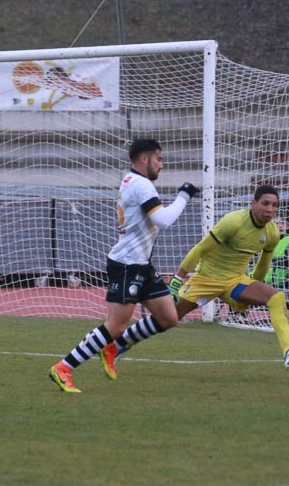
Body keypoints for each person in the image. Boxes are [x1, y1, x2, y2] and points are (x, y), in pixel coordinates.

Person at [103, 185, 289, 374]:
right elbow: (200, 249)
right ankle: (119, 344)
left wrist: (253, 293)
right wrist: (177, 279)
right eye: (265, 204)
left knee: (276, 297)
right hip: (205, 279)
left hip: (235, 282)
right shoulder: (233, 222)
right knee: (167, 318)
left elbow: (262, 264)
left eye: (274, 205)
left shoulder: (272, 233)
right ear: (253, 203)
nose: (270, 210)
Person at [48, 139, 200, 393]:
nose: (161, 165)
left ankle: (115, 347)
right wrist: (184, 195)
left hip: (141, 264)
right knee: (116, 325)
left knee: (168, 317)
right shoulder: (141, 185)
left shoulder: (136, 182)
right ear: (144, 159)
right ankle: (64, 367)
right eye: (158, 159)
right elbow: (163, 220)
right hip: (127, 265)